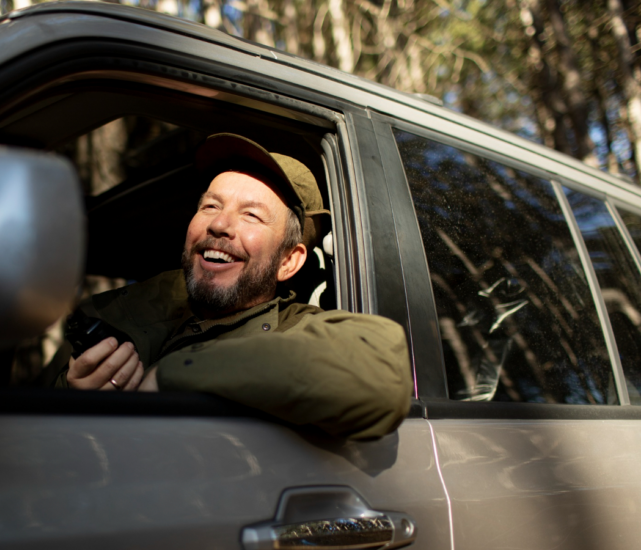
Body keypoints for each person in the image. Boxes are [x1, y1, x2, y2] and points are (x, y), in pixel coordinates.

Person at [56, 133, 412, 439]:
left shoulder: (299, 330)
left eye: (251, 215)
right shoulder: (116, 311)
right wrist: (71, 398)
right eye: (210, 205)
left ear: (289, 261)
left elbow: (383, 374)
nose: (220, 224)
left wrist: (172, 376)